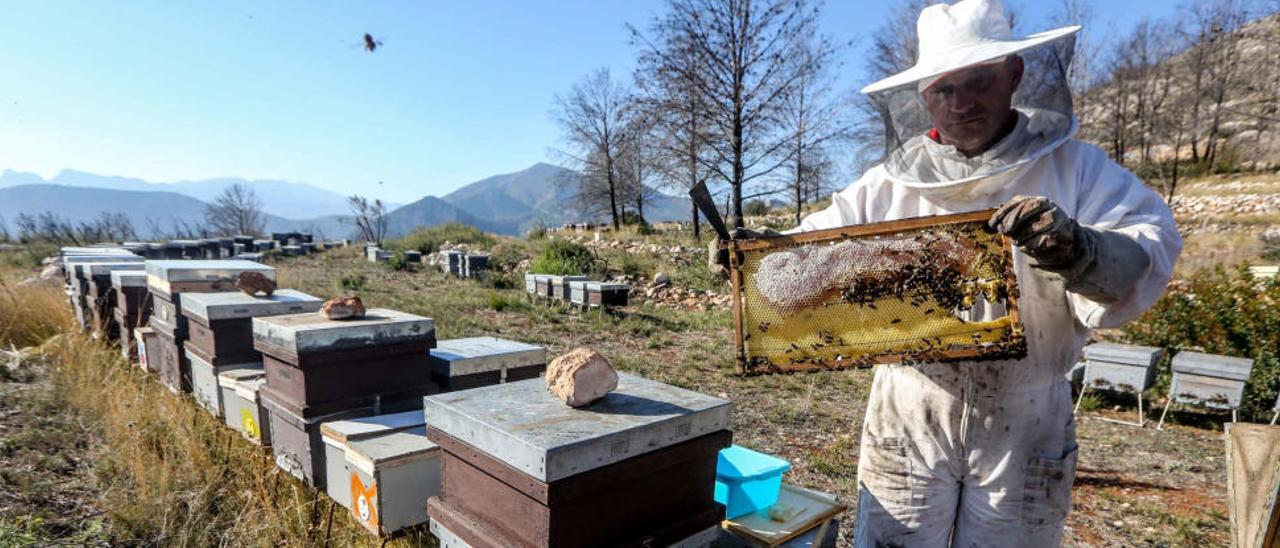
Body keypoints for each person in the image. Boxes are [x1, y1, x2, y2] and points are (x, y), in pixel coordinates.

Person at [710, 0, 1181, 545]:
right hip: (909, 412)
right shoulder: (887, 185)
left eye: (978, 81)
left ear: (1014, 74)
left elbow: (1150, 246)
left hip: (1025, 422)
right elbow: (804, 253)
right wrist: (758, 262)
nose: (962, 103)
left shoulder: (1078, 170)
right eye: (944, 90)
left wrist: (1082, 248)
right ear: (923, 97)